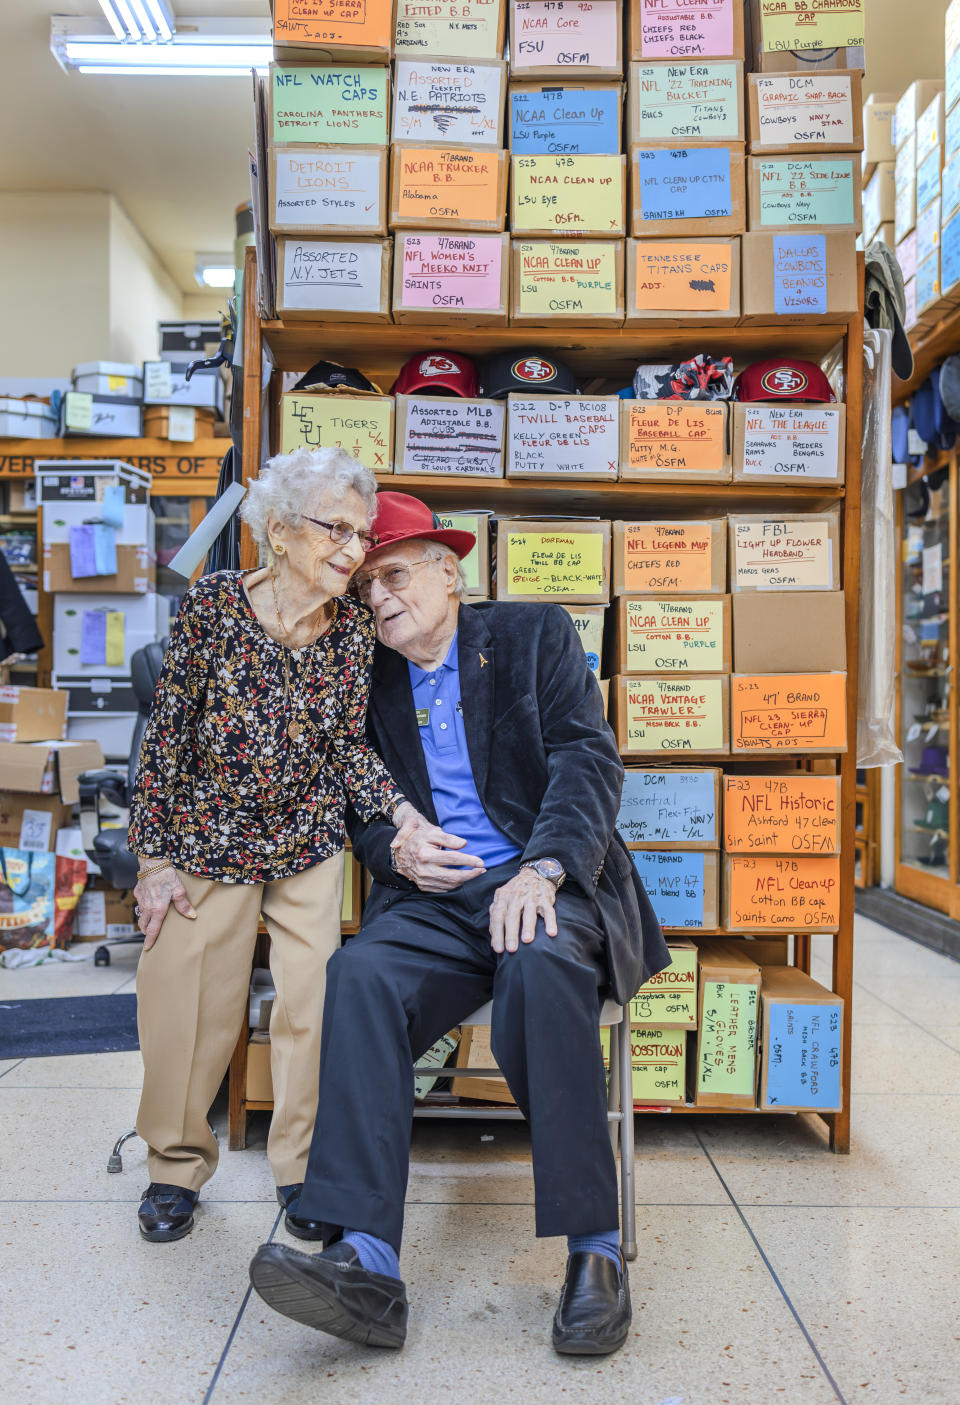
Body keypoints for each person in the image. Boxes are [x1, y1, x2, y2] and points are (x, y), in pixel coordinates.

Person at [249, 491, 669, 1355]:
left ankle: (595, 1251)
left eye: (394, 576)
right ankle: (368, 1264)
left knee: (542, 969)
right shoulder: (362, 672)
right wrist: (395, 850)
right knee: (358, 976)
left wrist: (546, 867)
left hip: (542, 876)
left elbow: (589, 758)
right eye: (365, 588)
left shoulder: (531, 635)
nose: (379, 599)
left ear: (449, 571)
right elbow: (360, 805)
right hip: (438, 898)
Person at [128, 454, 436, 1244]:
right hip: (208, 831)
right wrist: (155, 861)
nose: (353, 549)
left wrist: (396, 811)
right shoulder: (215, 605)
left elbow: (345, 747)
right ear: (278, 530)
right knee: (186, 997)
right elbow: (167, 735)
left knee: (317, 1002)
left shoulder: (353, 628)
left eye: (361, 535)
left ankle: (303, 1165)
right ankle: (173, 1163)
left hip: (307, 835)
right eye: (336, 528)